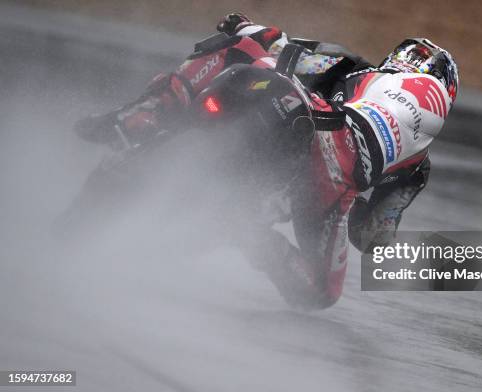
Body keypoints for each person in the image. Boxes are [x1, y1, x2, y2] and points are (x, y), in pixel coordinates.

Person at [74, 13, 459, 309]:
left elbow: (293, 62)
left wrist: (252, 34)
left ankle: (151, 109)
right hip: (332, 158)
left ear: (396, 57)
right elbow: (372, 238)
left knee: (255, 37)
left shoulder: (357, 69)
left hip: (286, 100)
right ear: (446, 86)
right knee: (318, 293)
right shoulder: (417, 163)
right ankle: (248, 234)